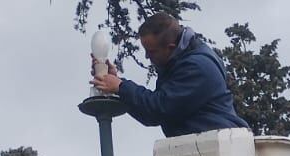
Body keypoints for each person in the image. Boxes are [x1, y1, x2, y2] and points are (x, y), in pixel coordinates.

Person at [90, 14, 249, 137]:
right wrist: (117, 83)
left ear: (170, 47)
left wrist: (121, 87)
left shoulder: (197, 68)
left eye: (151, 51)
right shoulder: (182, 61)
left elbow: (158, 109)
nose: (147, 57)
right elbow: (154, 111)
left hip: (219, 148)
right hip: (207, 145)